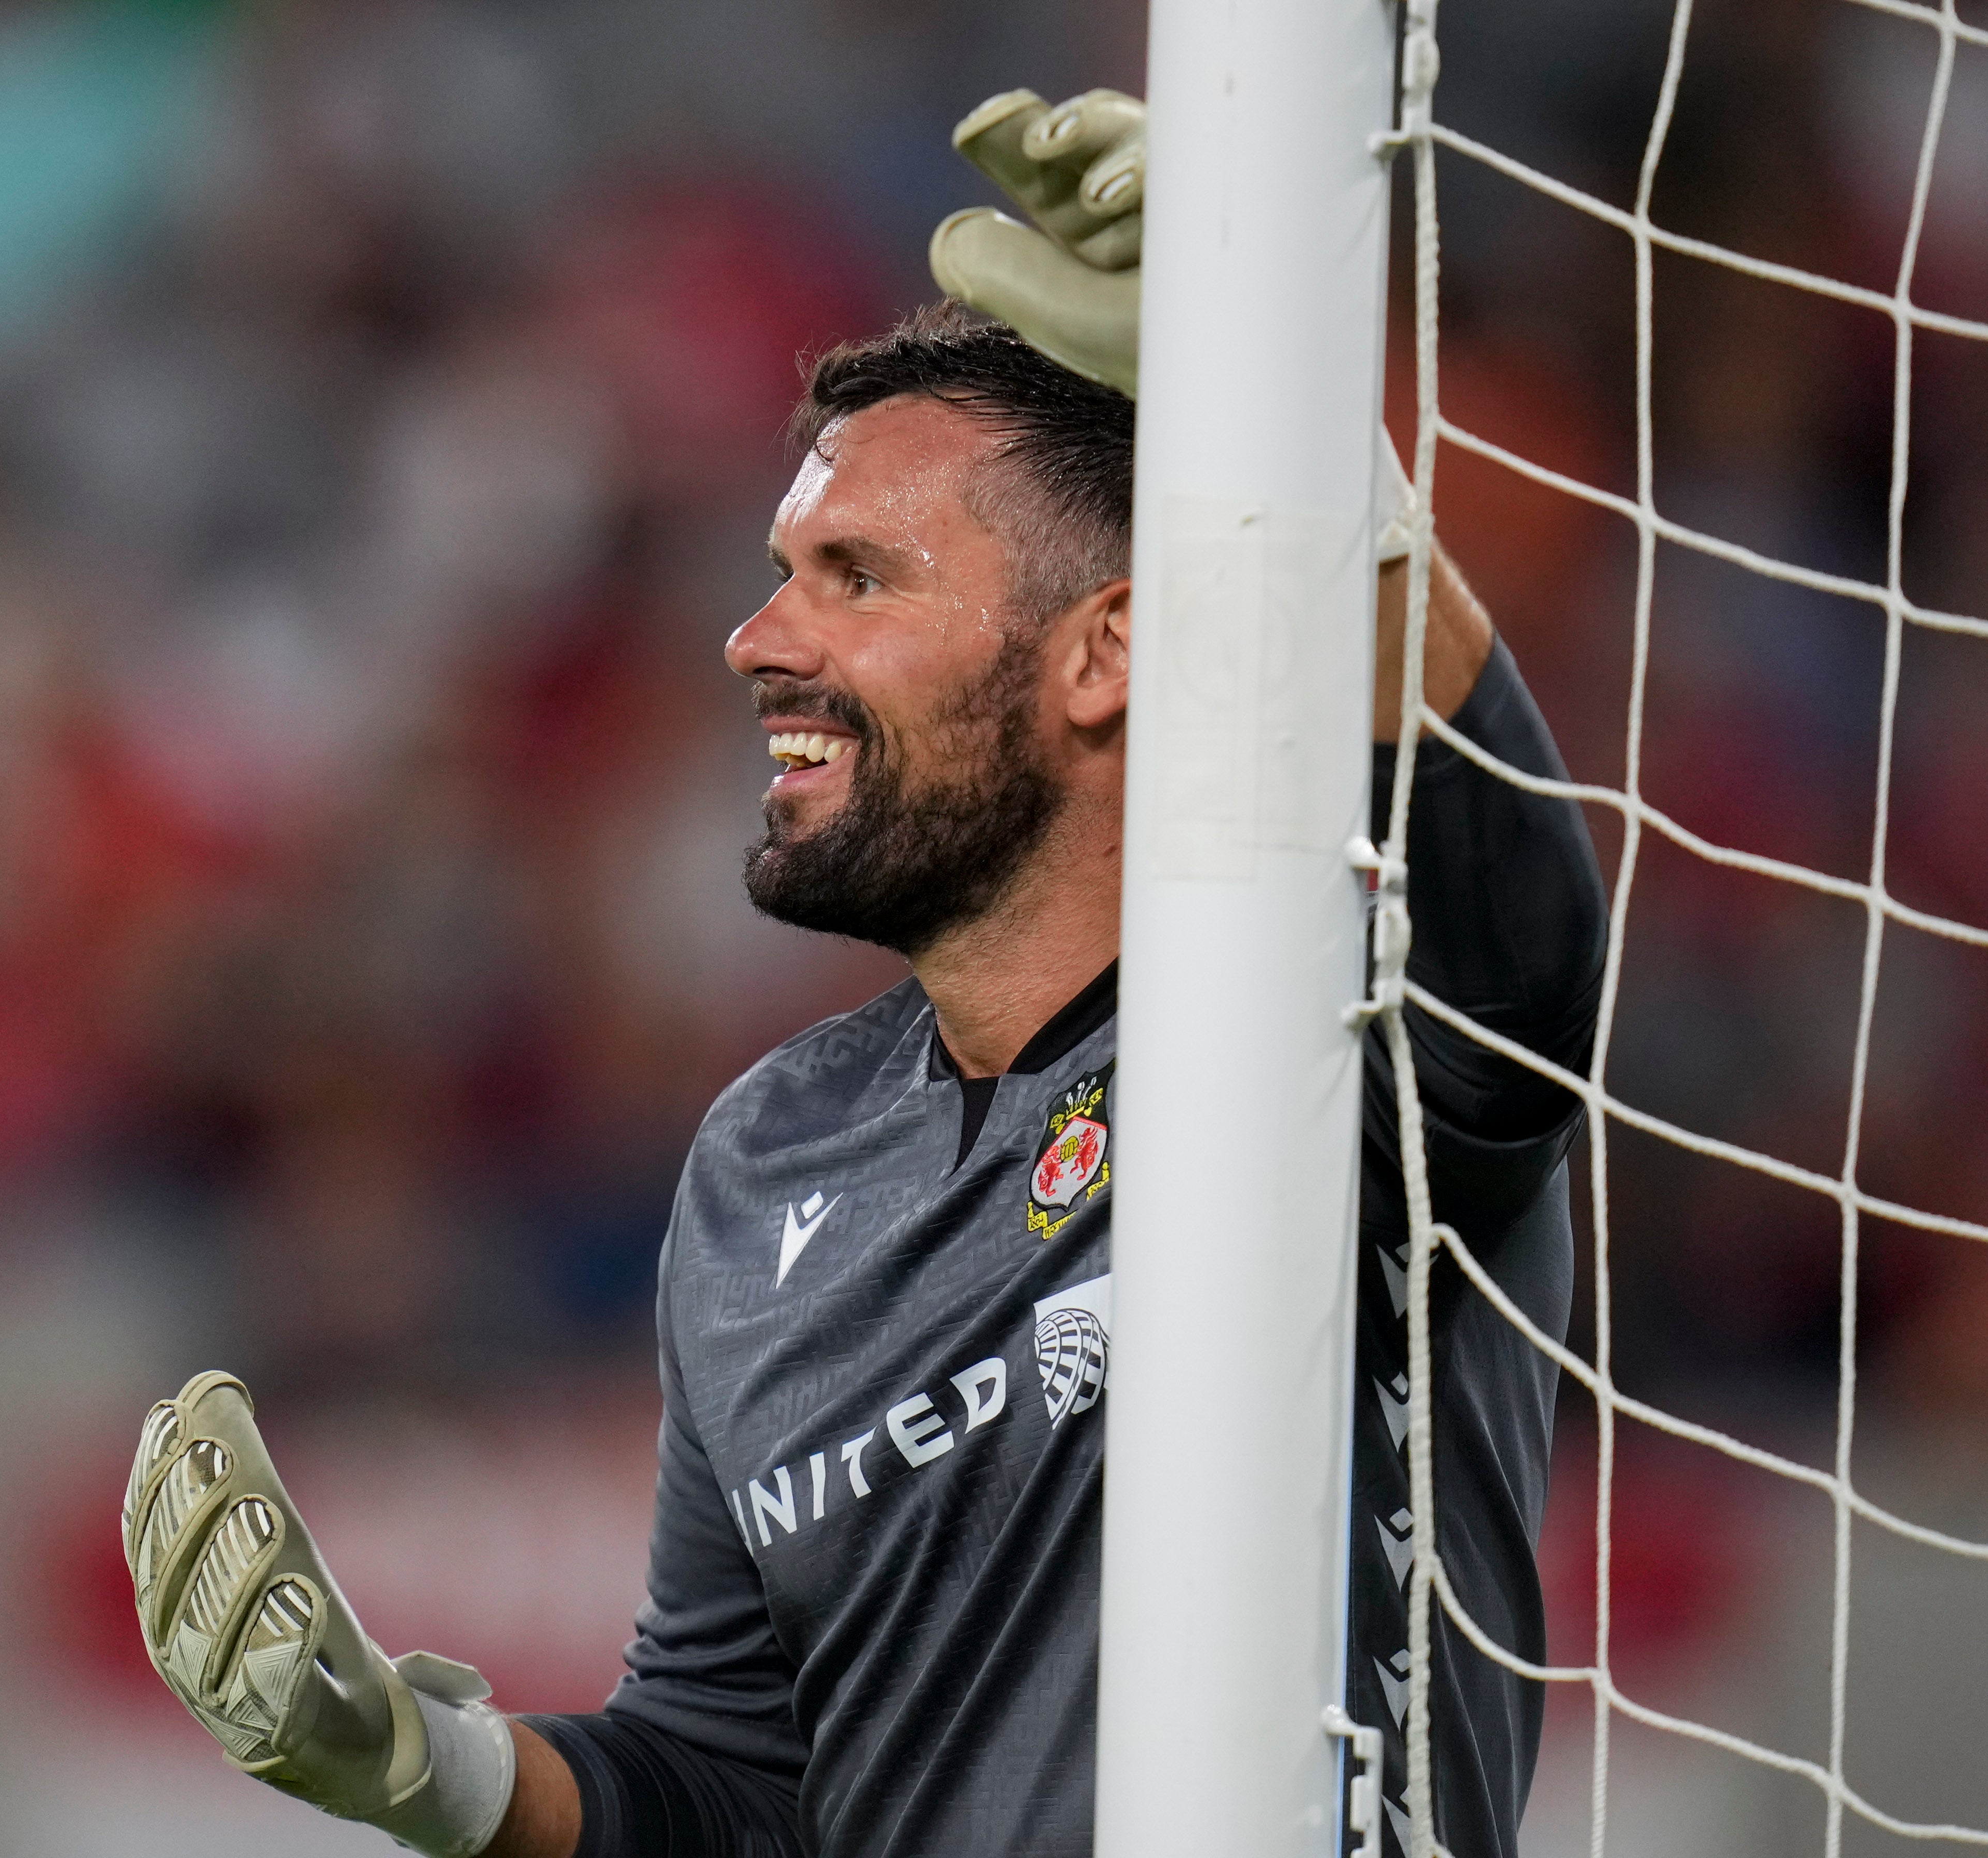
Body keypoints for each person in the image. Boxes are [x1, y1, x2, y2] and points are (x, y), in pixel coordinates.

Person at [121, 87, 1606, 1858]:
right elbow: (732, 1776)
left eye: (856, 576)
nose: (759, 639)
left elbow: (1520, 959)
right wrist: (414, 1765)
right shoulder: (769, 1160)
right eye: (777, 575)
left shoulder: (1326, 1035)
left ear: (1105, 651)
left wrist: (1288, 427)